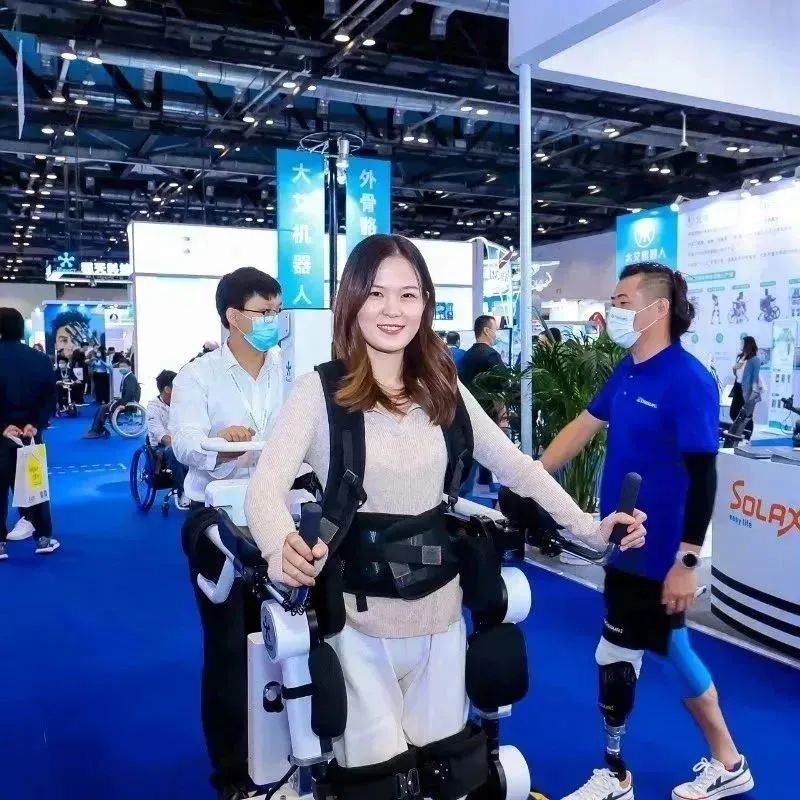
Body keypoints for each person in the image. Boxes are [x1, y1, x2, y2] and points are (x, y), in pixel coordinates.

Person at [244, 234, 646, 800]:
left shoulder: (444, 388)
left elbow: (517, 467)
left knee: (447, 778)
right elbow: (264, 491)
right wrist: (278, 545)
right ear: (352, 300)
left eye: (408, 294)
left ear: (425, 303)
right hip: (358, 629)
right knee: (375, 786)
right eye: (376, 293)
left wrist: (588, 525)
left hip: (442, 621)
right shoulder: (318, 392)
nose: (392, 309)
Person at [540, 263, 753, 800]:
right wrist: (532, 478)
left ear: (658, 309)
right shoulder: (628, 370)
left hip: (660, 555)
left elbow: (704, 477)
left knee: (651, 652)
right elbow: (583, 425)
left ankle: (718, 762)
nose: (611, 310)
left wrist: (686, 562)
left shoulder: (689, 380)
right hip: (623, 545)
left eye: (621, 301)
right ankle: (631, 770)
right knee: (626, 653)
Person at [170, 267, 285, 800]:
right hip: (215, 517)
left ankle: (291, 750)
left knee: (293, 639)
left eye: (276, 311)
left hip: (279, 511)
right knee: (229, 647)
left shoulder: (287, 368)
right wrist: (221, 441)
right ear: (233, 317)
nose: (272, 321)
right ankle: (233, 771)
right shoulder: (199, 377)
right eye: (263, 312)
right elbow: (184, 443)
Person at [0, 308, 60, 560]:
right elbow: (50, 397)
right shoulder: (40, 359)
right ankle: (43, 538)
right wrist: (35, 424)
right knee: (35, 485)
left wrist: (2, 426)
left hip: (2, 436)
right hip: (30, 434)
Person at [145, 370, 189, 509]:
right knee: (172, 450)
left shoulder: (182, 404)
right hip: (160, 447)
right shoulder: (153, 407)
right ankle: (184, 491)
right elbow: (161, 435)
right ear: (167, 389)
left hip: (181, 441)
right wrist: (180, 445)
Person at [84, 357, 140, 438]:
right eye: (120, 366)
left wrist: (123, 404)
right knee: (104, 407)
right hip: (125, 401)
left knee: (103, 408)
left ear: (129, 367)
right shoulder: (127, 376)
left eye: (124, 366)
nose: (121, 368)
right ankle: (98, 429)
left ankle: (96, 430)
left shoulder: (130, 377)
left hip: (128, 404)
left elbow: (130, 393)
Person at [457, 314, 502, 386]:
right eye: (496, 329)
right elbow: (502, 381)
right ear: (486, 331)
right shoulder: (492, 355)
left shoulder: (467, 354)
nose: (497, 333)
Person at [731, 337, 760, 438]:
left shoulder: (755, 360)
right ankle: (739, 432)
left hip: (748, 389)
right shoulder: (740, 357)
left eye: (742, 343)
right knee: (733, 412)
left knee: (747, 415)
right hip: (738, 386)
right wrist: (741, 359)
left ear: (748, 345)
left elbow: (755, 377)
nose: (741, 344)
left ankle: (747, 436)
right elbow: (735, 370)